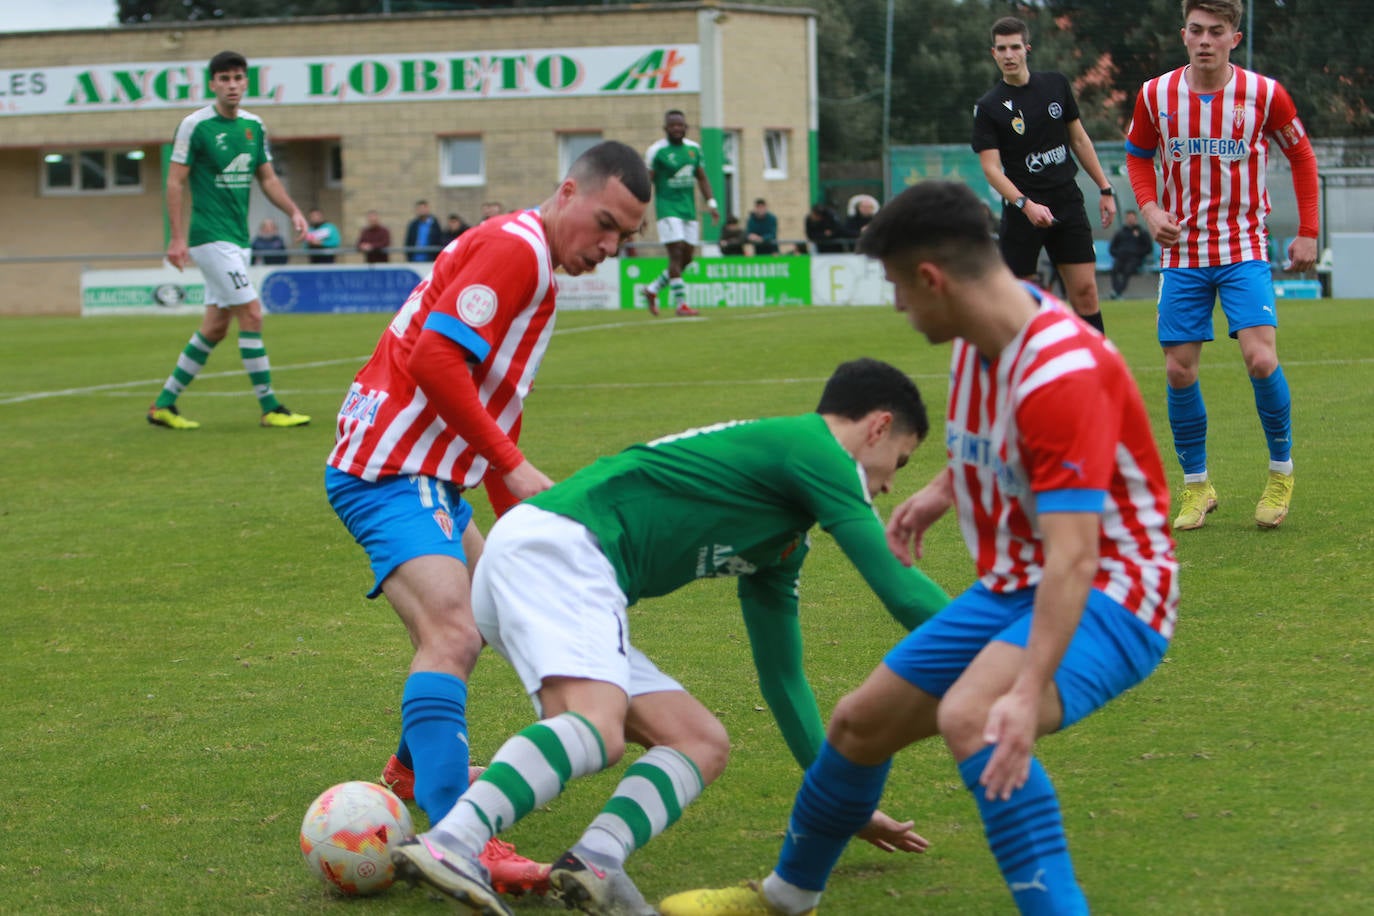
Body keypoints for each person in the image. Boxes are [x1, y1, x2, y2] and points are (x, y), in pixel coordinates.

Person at [658, 179, 1178, 916]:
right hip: (1017, 586)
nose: (900, 307)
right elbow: (992, 452)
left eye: (901, 288)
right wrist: (938, 493)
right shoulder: (976, 341)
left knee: (979, 714)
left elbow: (1076, 556)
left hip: (1114, 595)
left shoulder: (1062, 372)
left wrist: (1026, 692)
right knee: (857, 724)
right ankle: (784, 898)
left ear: (932, 279)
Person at [391, 358, 950, 916]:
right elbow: (898, 588)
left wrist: (838, 801)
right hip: (562, 546)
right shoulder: (817, 450)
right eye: (897, 462)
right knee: (597, 726)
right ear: (877, 427)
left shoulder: (784, 539)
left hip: (548, 561)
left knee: (699, 741)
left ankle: (596, 861)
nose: (888, 484)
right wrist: (1004, 645)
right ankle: (453, 840)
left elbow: (782, 678)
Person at [325, 140, 650, 897]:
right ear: (567, 192)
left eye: (624, 238)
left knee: (485, 608)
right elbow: (437, 358)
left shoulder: (528, 259)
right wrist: (509, 464)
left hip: (424, 472)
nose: (607, 247)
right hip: (392, 469)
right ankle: (454, 836)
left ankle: (410, 770)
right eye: (603, 224)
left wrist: (519, 521)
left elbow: (482, 398)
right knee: (454, 633)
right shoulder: (519, 251)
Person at [1125, 0, 1318, 531]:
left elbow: (1301, 156)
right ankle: (1196, 486)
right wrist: (1150, 209)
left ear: (1234, 37)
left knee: (1260, 358)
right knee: (1178, 368)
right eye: (1196, 30)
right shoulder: (1155, 94)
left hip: (1243, 247)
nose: (1204, 39)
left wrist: (1307, 231)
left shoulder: (1263, 93)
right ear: (1183, 34)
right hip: (1183, 253)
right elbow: (1138, 156)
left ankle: (1281, 472)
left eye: (1216, 31)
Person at [147, 50, 311, 431]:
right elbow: (175, 181)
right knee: (252, 314)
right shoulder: (195, 126)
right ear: (212, 84)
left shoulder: (254, 126)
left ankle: (164, 405)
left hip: (239, 238)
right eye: (224, 79)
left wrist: (294, 211)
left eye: (238, 78)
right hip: (210, 237)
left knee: (216, 327)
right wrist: (177, 238)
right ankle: (271, 407)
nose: (232, 85)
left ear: (246, 82)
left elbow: (267, 178)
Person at [972, 16, 1117, 333]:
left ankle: (1092, 372)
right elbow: (991, 169)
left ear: (1027, 49)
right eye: (1001, 49)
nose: (1009, 55)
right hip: (1024, 211)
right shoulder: (988, 107)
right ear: (993, 54)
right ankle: (1021, 373)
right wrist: (1026, 204)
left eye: (1014, 47)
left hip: (1067, 202)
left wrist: (1105, 188)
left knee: (1085, 293)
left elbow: (1079, 139)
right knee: (1016, 301)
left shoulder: (1055, 85)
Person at [642, 109, 720, 317]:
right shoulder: (656, 151)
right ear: (665, 128)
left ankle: (652, 290)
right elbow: (646, 183)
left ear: (686, 128)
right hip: (667, 209)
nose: (677, 129)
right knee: (675, 253)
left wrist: (711, 203)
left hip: (688, 210)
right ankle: (681, 305)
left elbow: (702, 178)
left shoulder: (694, 150)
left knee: (687, 258)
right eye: (673, 125)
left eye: (681, 125)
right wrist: (641, 211)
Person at [1108, 210, 1153, 299]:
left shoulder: (1142, 233)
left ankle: (1117, 292)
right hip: (1121, 257)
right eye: (1128, 218)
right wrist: (1118, 254)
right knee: (1114, 270)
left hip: (1135, 259)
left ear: (1136, 219)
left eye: (1132, 218)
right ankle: (1116, 291)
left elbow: (1148, 248)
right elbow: (1112, 248)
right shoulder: (1120, 233)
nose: (1130, 220)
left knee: (1127, 270)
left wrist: (1138, 254)